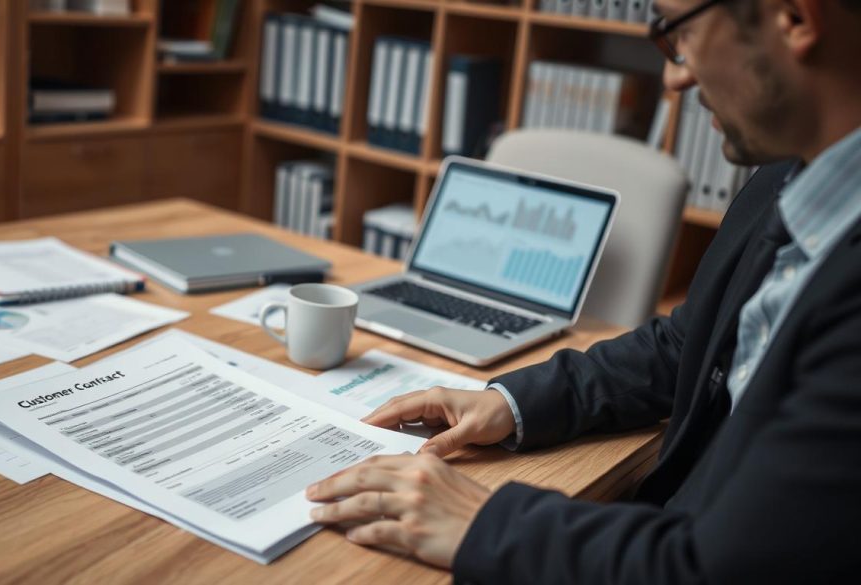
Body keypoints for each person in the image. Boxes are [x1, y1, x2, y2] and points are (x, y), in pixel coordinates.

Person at [305, 0, 861, 581]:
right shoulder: (787, 176)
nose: (675, 76)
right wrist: (511, 403)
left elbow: (719, 568)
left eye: (681, 33)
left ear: (795, 17)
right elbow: (685, 345)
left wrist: (481, 520)